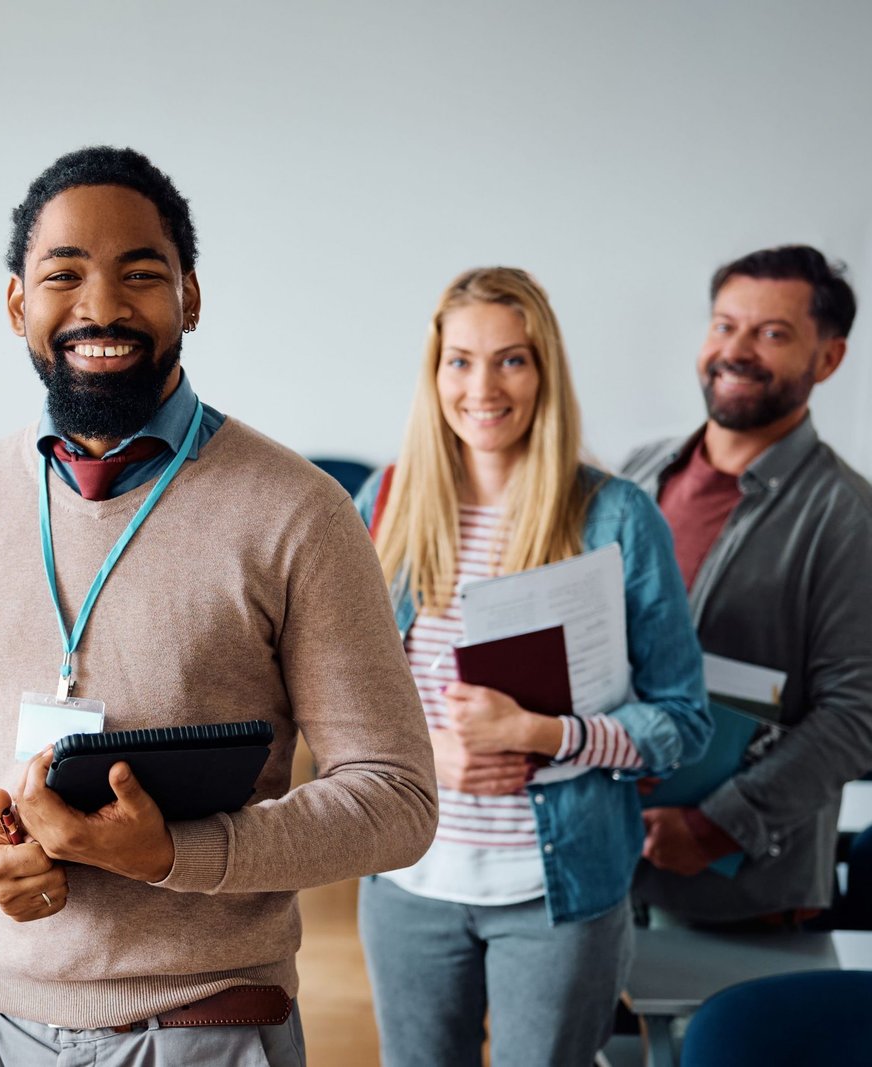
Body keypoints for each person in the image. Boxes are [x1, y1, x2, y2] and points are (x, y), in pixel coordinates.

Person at [0, 145, 437, 1067]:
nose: (102, 307)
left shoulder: (299, 509)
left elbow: (396, 798)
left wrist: (176, 854)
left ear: (190, 297)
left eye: (141, 274)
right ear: (16, 305)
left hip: (206, 1023)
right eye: (63, 275)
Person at [354, 267, 709, 1067]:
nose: (484, 386)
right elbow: (331, 704)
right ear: (435, 372)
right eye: (461, 360)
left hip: (558, 893)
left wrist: (543, 733)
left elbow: (682, 721)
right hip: (408, 885)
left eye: (511, 359)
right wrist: (422, 753)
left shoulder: (616, 516)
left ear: (544, 369)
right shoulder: (383, 504)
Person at [625, 245, 872, 927]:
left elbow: (856, 717)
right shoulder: (638, 475)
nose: (736, 350)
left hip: (742, 895)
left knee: (727, 1040)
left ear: (828, 358)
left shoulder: (850, 517)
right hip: (609, 867)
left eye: (772, 333)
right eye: (724, 325)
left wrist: (714, 828)